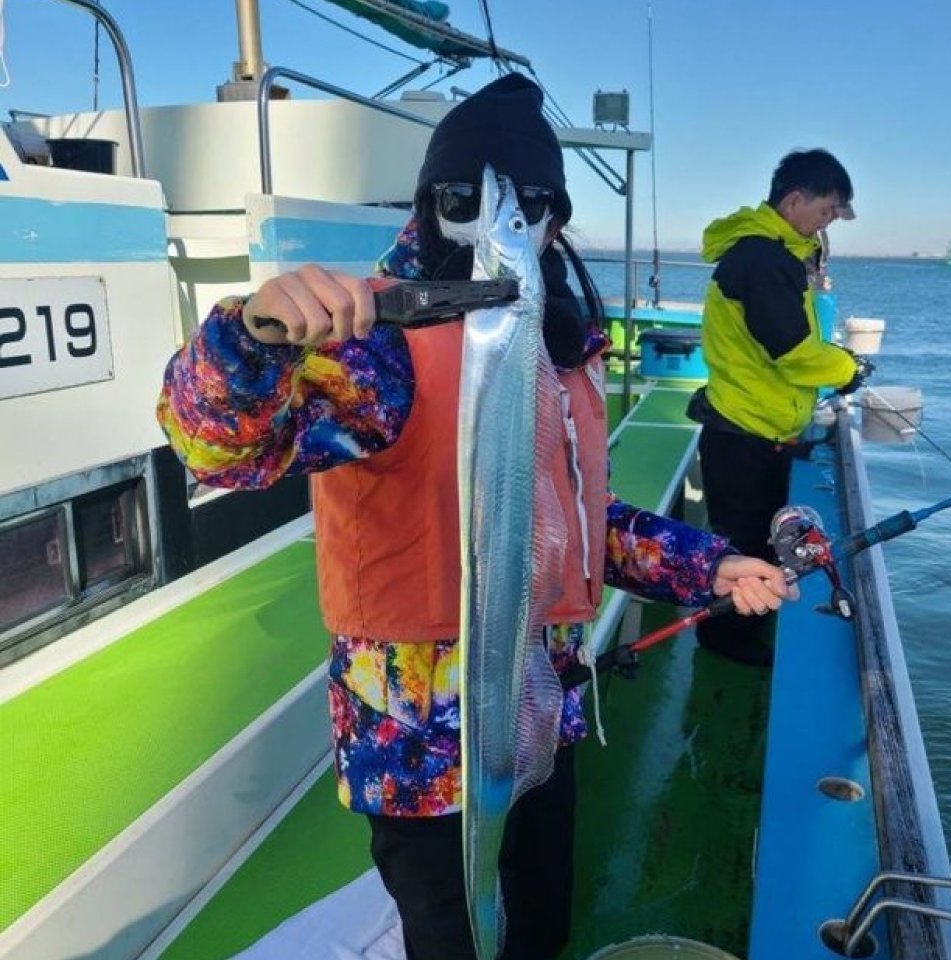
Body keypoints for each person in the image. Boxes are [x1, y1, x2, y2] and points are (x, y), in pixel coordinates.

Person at [157, 74, 795, 960]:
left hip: (543, 712)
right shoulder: (373, 347)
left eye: (532, 203)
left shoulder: (554, 343)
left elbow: (584, 519)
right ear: (429, 207)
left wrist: (712, 567)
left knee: (539, 924)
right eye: (465, 198)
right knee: (449, 940)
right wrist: (250, 334)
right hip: (416, 746)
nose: (500, 222)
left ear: (554, 223)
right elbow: (217, 449)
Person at [686, 148, 863, 668]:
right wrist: (847, 370)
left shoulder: (775, 252)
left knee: (757, 536)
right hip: (743, 434)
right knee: (742, 544)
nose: (829, 222)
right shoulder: (763, 258)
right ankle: (723, 638)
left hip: (757, 427)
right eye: (827, 211)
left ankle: (742, 627)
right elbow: (791, 351)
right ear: (794, 199)